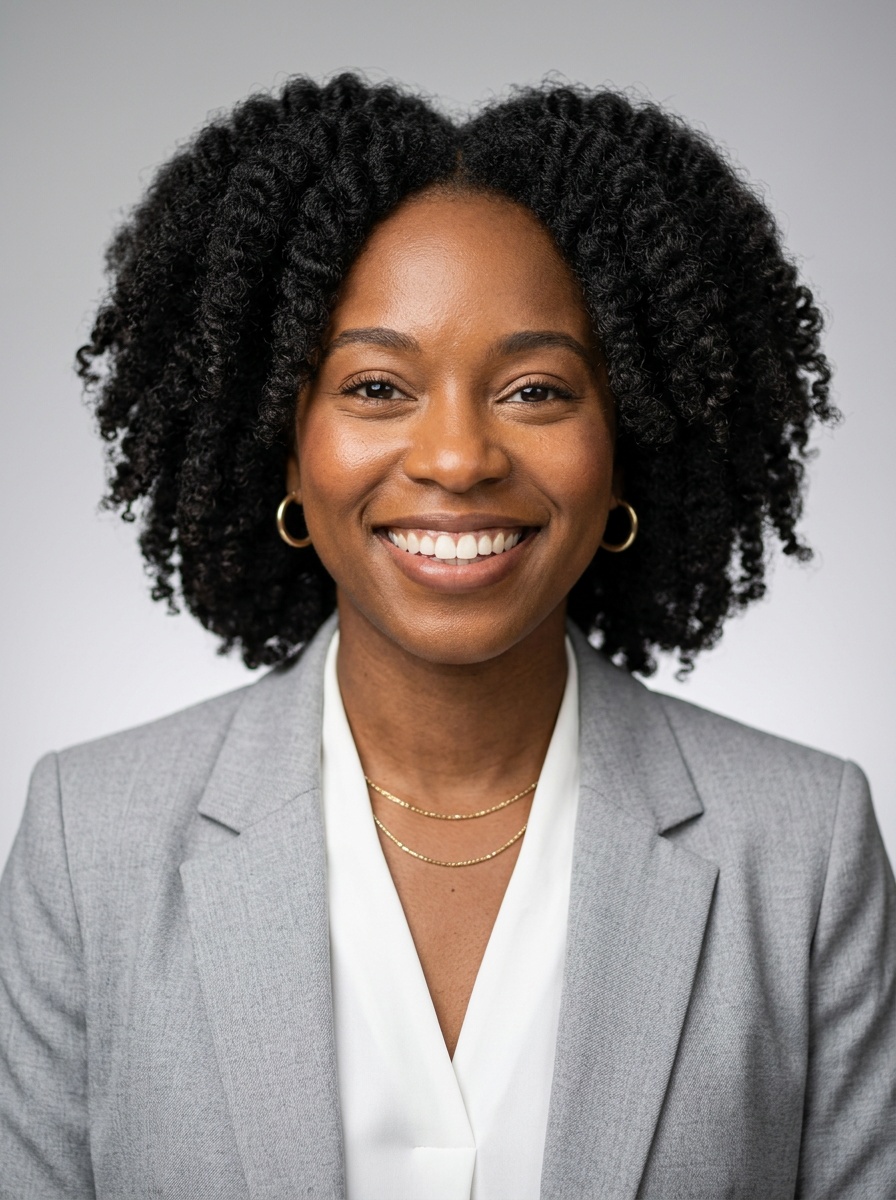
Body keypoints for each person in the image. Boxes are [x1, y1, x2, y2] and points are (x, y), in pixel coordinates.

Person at [0, 73, 893, 1200]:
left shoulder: (802, 851)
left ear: (624, 444)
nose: (459, 457)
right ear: (284, 443)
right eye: (377, 385)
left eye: (533, 391)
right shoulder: (92, 848)